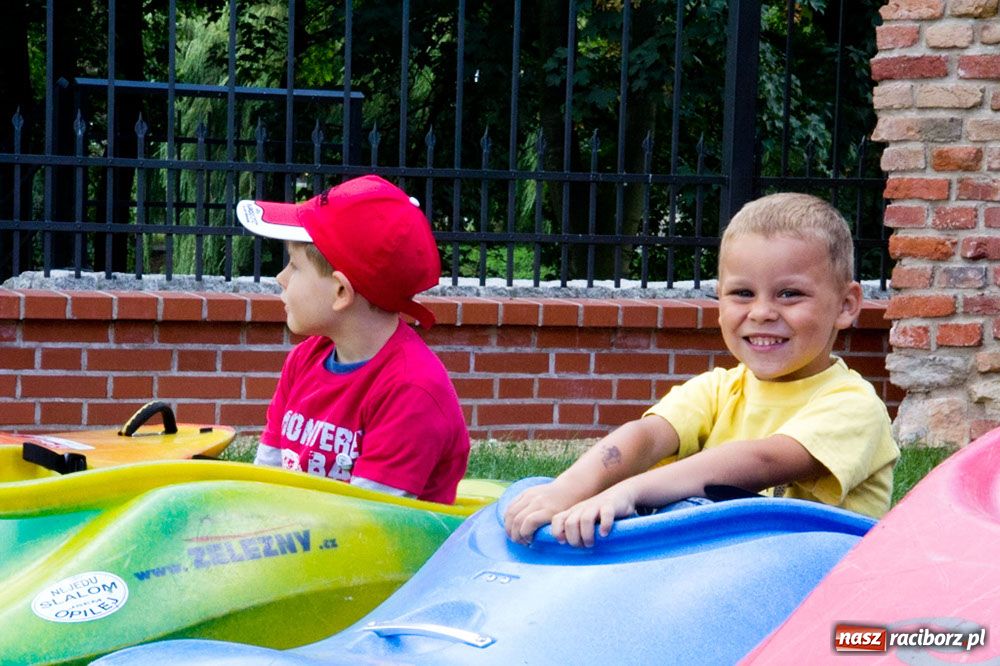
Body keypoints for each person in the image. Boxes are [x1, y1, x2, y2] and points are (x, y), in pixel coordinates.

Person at [504, 192, 899, 546]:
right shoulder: (717, 389)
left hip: (812, 586)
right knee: (534, 494)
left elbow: (763, 461)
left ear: (847, 305)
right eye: (742, 293)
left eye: (789, 294)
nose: (761, 312)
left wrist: (630, 491)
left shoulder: (853, 404)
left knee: (683, 507)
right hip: (719, 575)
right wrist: (569, 489)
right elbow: (644, 438)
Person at [235, 174, 469, 504]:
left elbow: (368, 524)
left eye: (295, 265)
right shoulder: (304, 360)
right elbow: (265, 482)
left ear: (341, 291)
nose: (281, 278)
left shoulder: (411, 389)